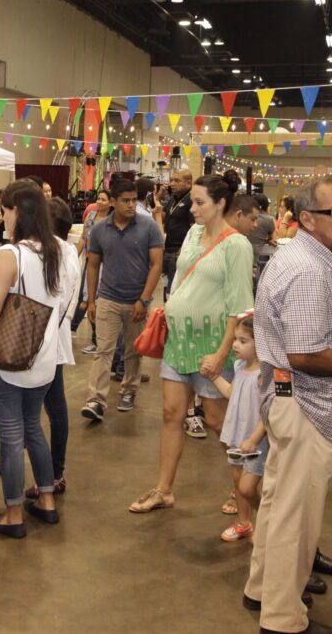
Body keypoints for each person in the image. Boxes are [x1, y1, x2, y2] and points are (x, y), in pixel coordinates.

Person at [243, 176, 332, 634]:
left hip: (291, 397)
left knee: (279, 502)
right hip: (304, 401)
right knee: (296, 516)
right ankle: (283, 618)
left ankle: (262, 590)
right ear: (306, 218)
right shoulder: (307, 268)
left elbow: (306, 333)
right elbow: (305, 355)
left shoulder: (310, 258)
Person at [130, 174, 253, 514]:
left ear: (221, 203)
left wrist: (222, 353)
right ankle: (163, 490)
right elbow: (181, 280)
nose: (192, 208)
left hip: (212, 345)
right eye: (193, 201)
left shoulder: (237, 246)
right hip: (178, 339)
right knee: (172, 413)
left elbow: (240, 305)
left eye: (200, 202)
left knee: (218, 421)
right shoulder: (193, 234)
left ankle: (244, 489)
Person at [0, 181, 65, 538]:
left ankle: (13, 514)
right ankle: (46, 499)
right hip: (43, 357)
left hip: (9, 357)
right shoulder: (55, 250)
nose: (3, 217)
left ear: (17, 212)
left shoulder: (12, 253)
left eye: (5, 210)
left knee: (11, 434)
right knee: (32, 427)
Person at [81, 177, 164, 419]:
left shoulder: (148, 226)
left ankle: (129, 390)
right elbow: (93, 266)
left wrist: (144, 300)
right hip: (108, 298)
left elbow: (156, 265)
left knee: (133, 350)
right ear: (113, 202)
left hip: (137, 299)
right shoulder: (99, 230)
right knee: (103, 350)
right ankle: (96, 399)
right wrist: (92, 301)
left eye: (133, 200)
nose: (131, 205)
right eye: (125, 201)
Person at [23, 197, 79, 499]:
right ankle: (51, 471)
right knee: (47, 408)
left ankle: (54, 474)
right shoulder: (69, 251)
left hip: (43, 342)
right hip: (51, 340)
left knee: (43, 411)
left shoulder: (52, 253)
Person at [213, 313, 267, 542]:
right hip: (236, 435)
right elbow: (231, 393)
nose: (235, 344)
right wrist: (213, 376)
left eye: (243, 341)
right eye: (235, 339)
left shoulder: (264, 375)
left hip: (255, 440)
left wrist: (254, 439)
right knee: (237, 482)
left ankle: (267, 522)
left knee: (246, 488)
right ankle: (244, 522)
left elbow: (269, 413)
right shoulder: (239, 366)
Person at [73, 188, 110, 355]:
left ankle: (98, 340)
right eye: (99, 199)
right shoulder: (91, 216)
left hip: (106, 264)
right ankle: (87, 335)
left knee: (98, 300)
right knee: (86, 297)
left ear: (110, 202)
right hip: (90, 262)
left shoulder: (112, 220)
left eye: (103, 199)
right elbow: (83, 237)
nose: (100, 202)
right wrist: (75, 256)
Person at [160, 169, 194, 299]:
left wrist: (183, 251)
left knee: (173, 292)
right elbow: (161, 217)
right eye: (171, 180)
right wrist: (158, 197)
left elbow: (194, 229)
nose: (172, 184)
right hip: (167, 250)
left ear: (188, 183)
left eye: (176, 180)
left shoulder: (191, 201)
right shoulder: (173, 199)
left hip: (179, 252)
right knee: (165, 287)